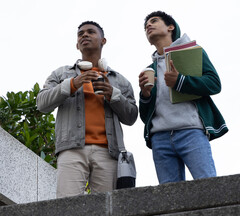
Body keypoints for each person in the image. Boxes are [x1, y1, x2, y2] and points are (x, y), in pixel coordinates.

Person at [37, 21, 138, 198]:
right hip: (71, 149)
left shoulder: (119, 81)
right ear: (77, 44)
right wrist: (72, 84)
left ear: (103, 40)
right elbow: (42, 103)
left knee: (107, 208)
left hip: (109, 152)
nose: (84, 35)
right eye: (80, 34)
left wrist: (113, 94)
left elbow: (131, 117)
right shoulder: (61, 74)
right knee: (67, 207)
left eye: (91, 32)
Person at [138, 11, 228, 184]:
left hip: (191, 131)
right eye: (146, 26)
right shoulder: (149, 69)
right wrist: (145, 94)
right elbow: (145, 116)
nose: (148, 25)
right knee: (170, 199)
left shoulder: (193, 53)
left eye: (154, 21)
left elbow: (214, 83)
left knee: (208, 187)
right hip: (160, 138)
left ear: (171, 27)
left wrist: (180, 81)